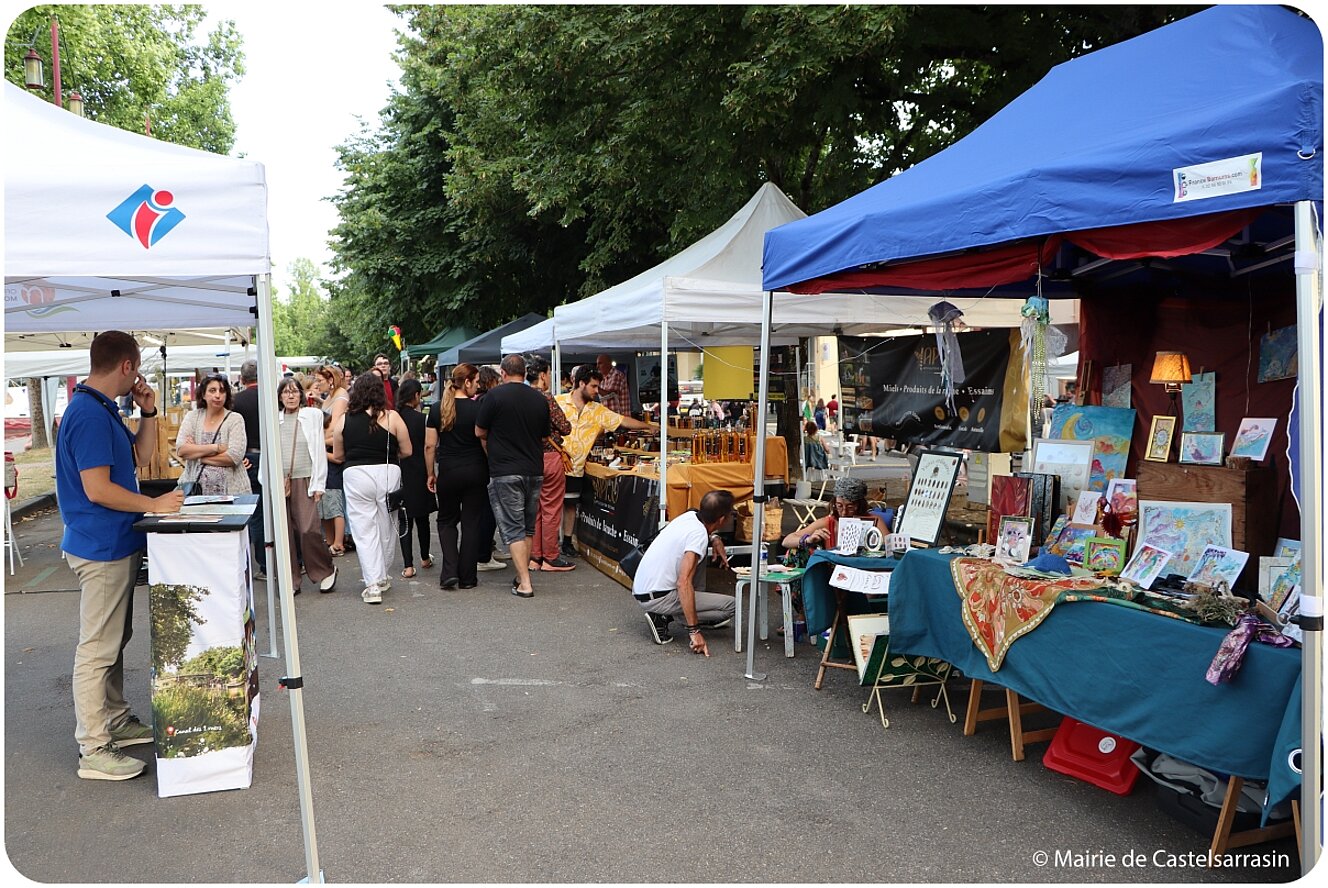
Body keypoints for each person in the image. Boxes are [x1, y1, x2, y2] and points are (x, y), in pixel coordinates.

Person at [56, 330, 184, 781]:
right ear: (127, 366)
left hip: (112, 542)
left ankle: (114, 717)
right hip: (101, 545)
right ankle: (94, 746)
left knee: (113, 639)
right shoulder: (89, 415)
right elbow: (98, 488)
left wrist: (149, 410)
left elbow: (143, 457)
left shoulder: (101, 407)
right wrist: (154, 504)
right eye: (138, 368)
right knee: (97, 648)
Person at [556, 365, 656, 560]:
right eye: (593, 386)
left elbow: (623, 421)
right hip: (555, 464)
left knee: (570, 505)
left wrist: (648, 426)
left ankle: (566, 542)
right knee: (550, 507)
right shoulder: (558, 402)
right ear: (581, 383)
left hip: (576, 468)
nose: (597, 391)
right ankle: (548, 547)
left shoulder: (597, 410)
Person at [474, 354, 550, 598]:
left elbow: (479, 431)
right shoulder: (539, 399)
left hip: (505, 469)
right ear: (525, 372)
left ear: (504, 374)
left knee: (514, 527)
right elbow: (545, 435)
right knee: (527, 527)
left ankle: (525, 582)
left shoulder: (494, 396)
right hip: (534, 469)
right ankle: (520, 575)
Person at [333, 372, 412, 604]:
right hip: (388, 472)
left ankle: (372, 583)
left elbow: (338, 455)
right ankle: (383, 574)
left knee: (363, 529)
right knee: (387, 526)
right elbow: (407, 450)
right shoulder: (393, 417)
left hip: (356, 474)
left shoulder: (344, 420)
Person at [631, 490, 737, 652]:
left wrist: (715, 538)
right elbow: (683, 582)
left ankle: (680, 613)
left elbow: (695, 515)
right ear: (722, 519)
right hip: (658, 597)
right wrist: (694, 631)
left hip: (641, 589)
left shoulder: (690, 516)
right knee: (732, 606)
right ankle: (664, 617)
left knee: (698, 557)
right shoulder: (699, 536)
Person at [426, 363, 487, 589]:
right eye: (477, 381)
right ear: (467, 382)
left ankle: (449, 571)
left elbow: (429, 446)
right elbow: (484, 440)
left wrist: (431, 473)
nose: (478, 386)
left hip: (449, 472)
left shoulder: (436, 409)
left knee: (446, 521)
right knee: (471, 523)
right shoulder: (478, 409)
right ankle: (468, 577)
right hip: (476, 471)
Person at [276, 377, 337, 595]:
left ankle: (324, 569)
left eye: (294, 391)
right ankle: (291, 578)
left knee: (307, 528)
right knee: (285, 533)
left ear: (301, 394)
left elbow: (319, 449)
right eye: (286, 392)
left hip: (305, 478)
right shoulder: (275, 419)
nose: (290, 396)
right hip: (280, 481)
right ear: (280, 396)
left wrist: (319, 482)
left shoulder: (311, 415)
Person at [525, 355, 575, 572]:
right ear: (543, 376)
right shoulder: (545, 398)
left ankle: (535, 556)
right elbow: (565, 427)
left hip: (528, 458)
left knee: (534, 508)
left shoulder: (521, 396)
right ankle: (551, 556)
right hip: (550, 457)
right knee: (551, 508)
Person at [176, 375, 251, 496]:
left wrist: (198, 455)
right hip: (195, 494)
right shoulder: (192, 417)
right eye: (212, 390)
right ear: (203, 394)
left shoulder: (235, 419)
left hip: (231, 494)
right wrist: (215, 448)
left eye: (222, 391)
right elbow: (181, 449)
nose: (217, 395)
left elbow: (234, 456)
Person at [781, 476, 890, 553]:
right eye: (839, 506)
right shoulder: (828, 522)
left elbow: (890, 547)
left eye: (850, 507)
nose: (844, 512)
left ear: (860, 505)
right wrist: (808, 539)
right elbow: (787, 541)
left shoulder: (874, 521)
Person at [395, 379, 436, 579]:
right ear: (417, 396)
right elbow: (428, 446)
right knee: (422, 518)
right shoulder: (421, 420)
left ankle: (408, 565)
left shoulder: (393, 418)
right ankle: (424, 557)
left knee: (404, 520)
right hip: (419, 470)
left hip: (399, 472)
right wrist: (431, 473)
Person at [231, 359, 267, 577]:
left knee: (256, 514)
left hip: (248, 457)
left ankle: (263, 563)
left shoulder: (236, 402)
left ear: (242, 379)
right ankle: (290, 560)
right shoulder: (271, 398)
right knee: (277, 510)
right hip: (271, 457)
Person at [315, 364, 351, 556]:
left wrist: (317, 440)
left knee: (334, 497)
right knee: (324, 498)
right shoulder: (330, 397)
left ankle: (338, 541)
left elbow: (334, 426)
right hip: (326, 448)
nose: (317, 384)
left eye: (320, 380)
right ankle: (331, 540)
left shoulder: (341, 397)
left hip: (332, 449)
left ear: (330, 380)